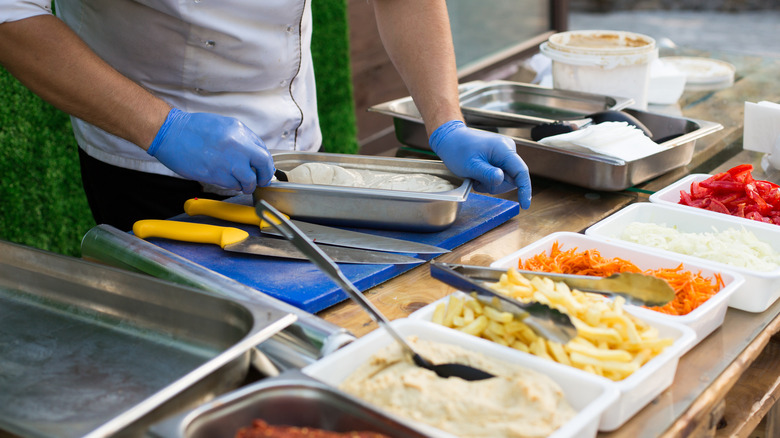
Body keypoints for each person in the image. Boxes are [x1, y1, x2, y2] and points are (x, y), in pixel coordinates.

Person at [0, 0, 532, 231]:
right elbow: (12, 14)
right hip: (148, 157)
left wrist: (445, 120)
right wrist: (163, 128)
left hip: (295, 149)